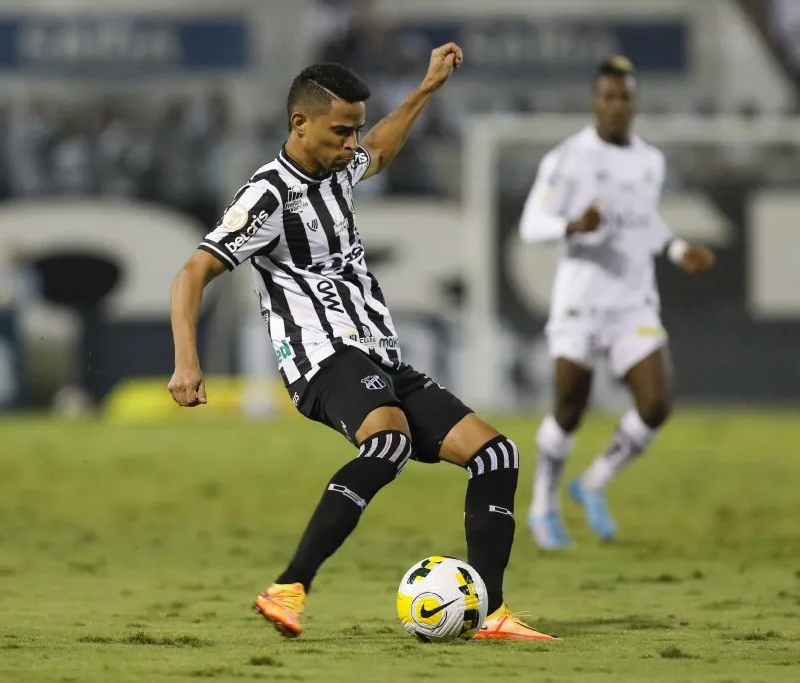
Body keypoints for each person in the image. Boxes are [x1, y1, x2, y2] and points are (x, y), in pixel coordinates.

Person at [167, 44, 554, 641]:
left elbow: (380, 148)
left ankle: (489, 610)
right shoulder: (268, 195)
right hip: (322, 359)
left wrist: (425, 90)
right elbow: (192, 271)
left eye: (355, 130)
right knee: (390, 443)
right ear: (300, 123)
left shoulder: (339, 167)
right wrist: (186, 362)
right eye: (340, 131)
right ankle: (289, 585)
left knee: (496, 455)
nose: (352, 143)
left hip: (378, 354)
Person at [519, 56, 716, 550]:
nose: (616, 106)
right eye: (608, 96)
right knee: (569, 407)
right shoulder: (566, 159)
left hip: (633, 302)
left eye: (625, 97)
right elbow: (530, 225)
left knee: (656, 404)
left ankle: (594, 481)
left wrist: (675, 248)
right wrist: (572, 226)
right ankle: (543, 505)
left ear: (634, 102)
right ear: (594, 101)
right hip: (581, 302)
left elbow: (643, 222)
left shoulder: (650, 161)